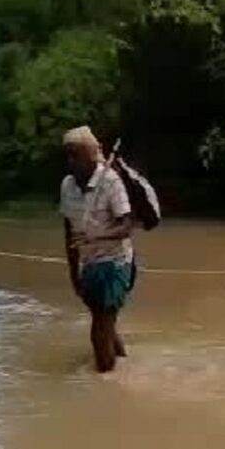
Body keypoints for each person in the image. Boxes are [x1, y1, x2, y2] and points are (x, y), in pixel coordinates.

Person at [60, 126, 136, 373]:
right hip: (89, 265)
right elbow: (69, 233)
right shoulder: (67, 186)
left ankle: (106, 383)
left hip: (116, 263)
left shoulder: (110, 181)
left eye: (76, 155)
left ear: (89, 155)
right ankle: (121, 368)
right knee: (105, 322)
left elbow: (127, 225)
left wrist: (97, 235)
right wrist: (74, 275)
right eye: (67, 156)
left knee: (100, 327)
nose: (70, 162)